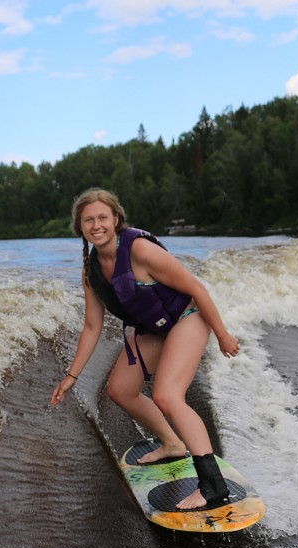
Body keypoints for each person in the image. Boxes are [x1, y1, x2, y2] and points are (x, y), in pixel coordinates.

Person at [50, 187, 240, 510]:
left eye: (102, 218)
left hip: (188, 317)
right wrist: (72, 376)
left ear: (116, 219)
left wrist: (222, 334)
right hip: (154, 329)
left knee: (167, 395)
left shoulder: (139, 250)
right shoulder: (91, 271)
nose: (96, 225)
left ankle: (212, 486)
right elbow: (92, 327)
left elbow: (195, 287)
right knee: (121, 390)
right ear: (79, 227)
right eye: (88, 220)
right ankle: (171, 443)